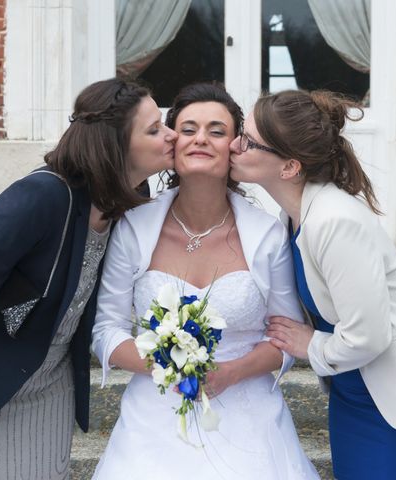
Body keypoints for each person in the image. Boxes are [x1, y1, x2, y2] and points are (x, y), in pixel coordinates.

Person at [0, 77, 177, 479]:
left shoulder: (124, 204)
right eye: (154, 130)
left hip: (50, 388)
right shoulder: (41, 197)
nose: (171, 135)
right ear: (115, 146)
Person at [229, 89, 396, 480]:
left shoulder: (334, 221)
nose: (234, 145)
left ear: (289, 167)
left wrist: (310, 344)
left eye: (248, 141)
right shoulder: (292, 217)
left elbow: (369, 336)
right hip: (355, 398)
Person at [90, 83, 319, 480]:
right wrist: (166, 363)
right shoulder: (133, 226)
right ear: (172, 142)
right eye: (189, 128)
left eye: (216, 131)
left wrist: (233, 372)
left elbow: (285, 338)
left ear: (235, 146)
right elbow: (105, 329)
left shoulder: (266, 235)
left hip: (248, 417)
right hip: (153, 416)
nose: (201, 139)